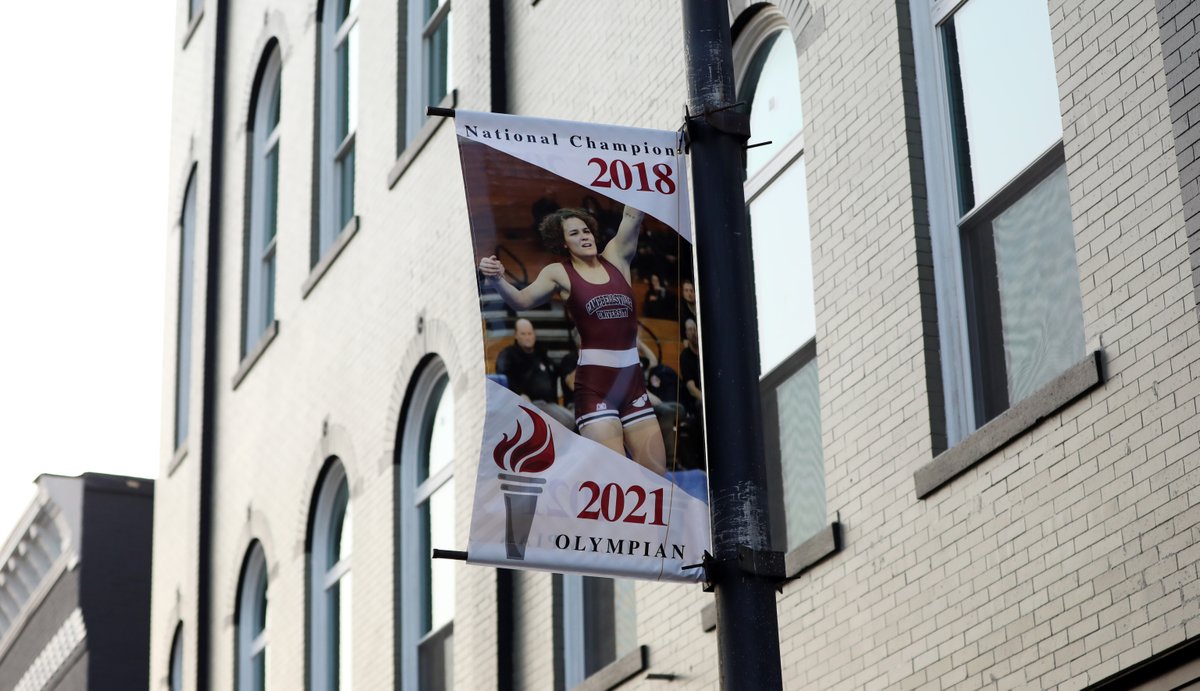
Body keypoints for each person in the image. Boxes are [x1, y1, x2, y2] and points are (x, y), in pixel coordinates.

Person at [479, 204, 667, 475]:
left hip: (633, 387)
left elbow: (633, 214)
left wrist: (639, 163)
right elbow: (522, 301)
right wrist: (497, 279)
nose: (585, 236)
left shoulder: (616, 256)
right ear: (563, 242)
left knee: (656, 476)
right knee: (618, 479)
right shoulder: (559, 272)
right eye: (575, 233)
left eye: (587, 230)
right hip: (596, 389)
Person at [495, 318, 559, 403]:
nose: (527, 337)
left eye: (530, 334)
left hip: (549, 403)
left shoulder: (542, 354)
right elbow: (503, 378)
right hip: (523, 405)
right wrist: (519, 394)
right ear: (516, 335)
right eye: (523, 334)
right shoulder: (507, 355)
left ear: (534, 335)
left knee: (568, 416)